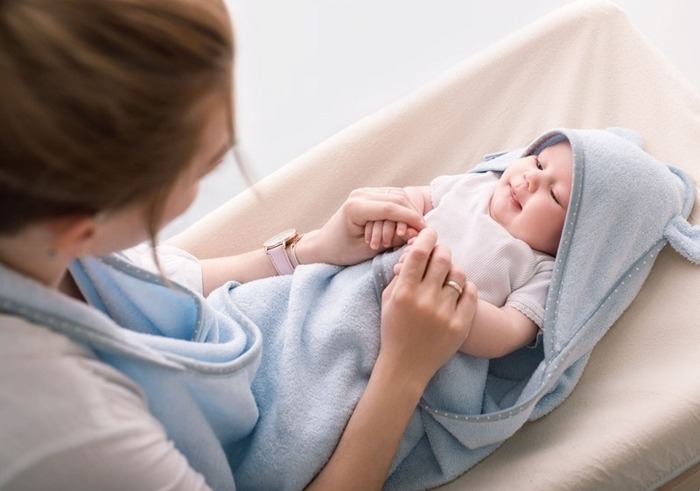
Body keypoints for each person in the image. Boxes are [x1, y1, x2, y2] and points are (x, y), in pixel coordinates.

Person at [0, 1, 478, 490]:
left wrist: (309, 250)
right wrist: (405, 370)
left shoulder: (30, 224)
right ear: (83, 229)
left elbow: (160, 288)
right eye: (206, 167)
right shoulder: (67, 430)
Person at [223, 137, 573, 489]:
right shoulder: (474, 185)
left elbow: (509, 331)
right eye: (538, 164)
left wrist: (452, 302)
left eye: (555, 196)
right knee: (285, 337)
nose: (531, 180)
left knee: (312, 419)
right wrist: (393, 219)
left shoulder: (541, 270)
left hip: (414, 346)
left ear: (572, 237)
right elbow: (412, 199)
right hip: (343, 299)